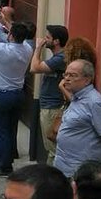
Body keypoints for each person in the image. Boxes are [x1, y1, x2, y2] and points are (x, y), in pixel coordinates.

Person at [0, 13, 33, 177]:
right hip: (17, 93)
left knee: (0, 132)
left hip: (0, 95)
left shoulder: (3, 49)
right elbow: (17, 36)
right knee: (10, 130)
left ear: (10, 35)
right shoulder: (28, 49)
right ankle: (8, 161)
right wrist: (6, 22)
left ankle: (3, 165)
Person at [52, 61, 101, 178]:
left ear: (87, 80)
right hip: (64, 167)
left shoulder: (95, 102)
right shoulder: (76, 98)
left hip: (82, 172)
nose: (67, 79)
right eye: (66, 74)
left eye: (72, 75)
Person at [31, 26, 68, 164]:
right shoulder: (58, 57)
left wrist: (38, 48)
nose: (44, 40)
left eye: (48, 37)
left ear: (56, 41)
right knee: (51, 146)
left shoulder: (60, 58)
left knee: (52, 147)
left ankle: (52, 179)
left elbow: (34, 68)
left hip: (52, 107)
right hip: (49, 105)